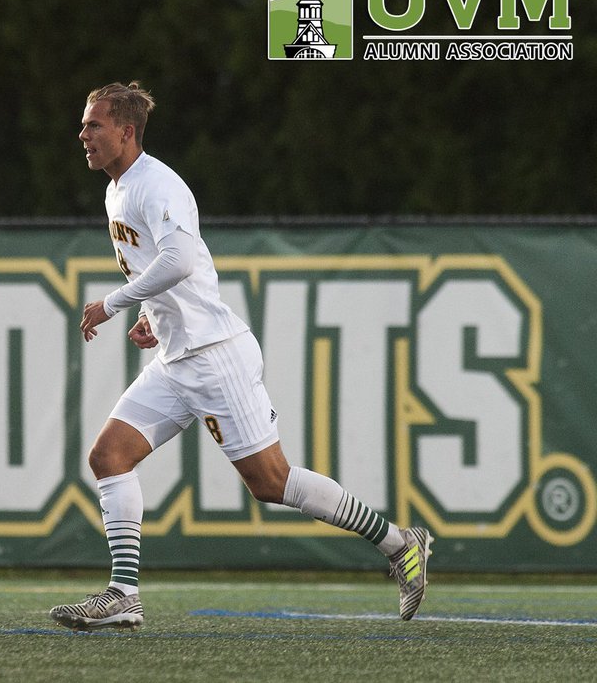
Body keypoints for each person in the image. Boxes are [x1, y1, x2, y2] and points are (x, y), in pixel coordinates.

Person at [48, 81, 432, 631]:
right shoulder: (117, 188)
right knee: (108, 457)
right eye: (85, 124)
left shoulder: (156, 184)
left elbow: (179, 260)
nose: (82, 134)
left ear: (126, 131)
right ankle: (123, 596)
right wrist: (152, 316)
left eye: (93, 125)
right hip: (177, 358)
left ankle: (399, 543)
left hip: (213, 356)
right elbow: (171, 268)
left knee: (271, 483)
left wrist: (112, 303)